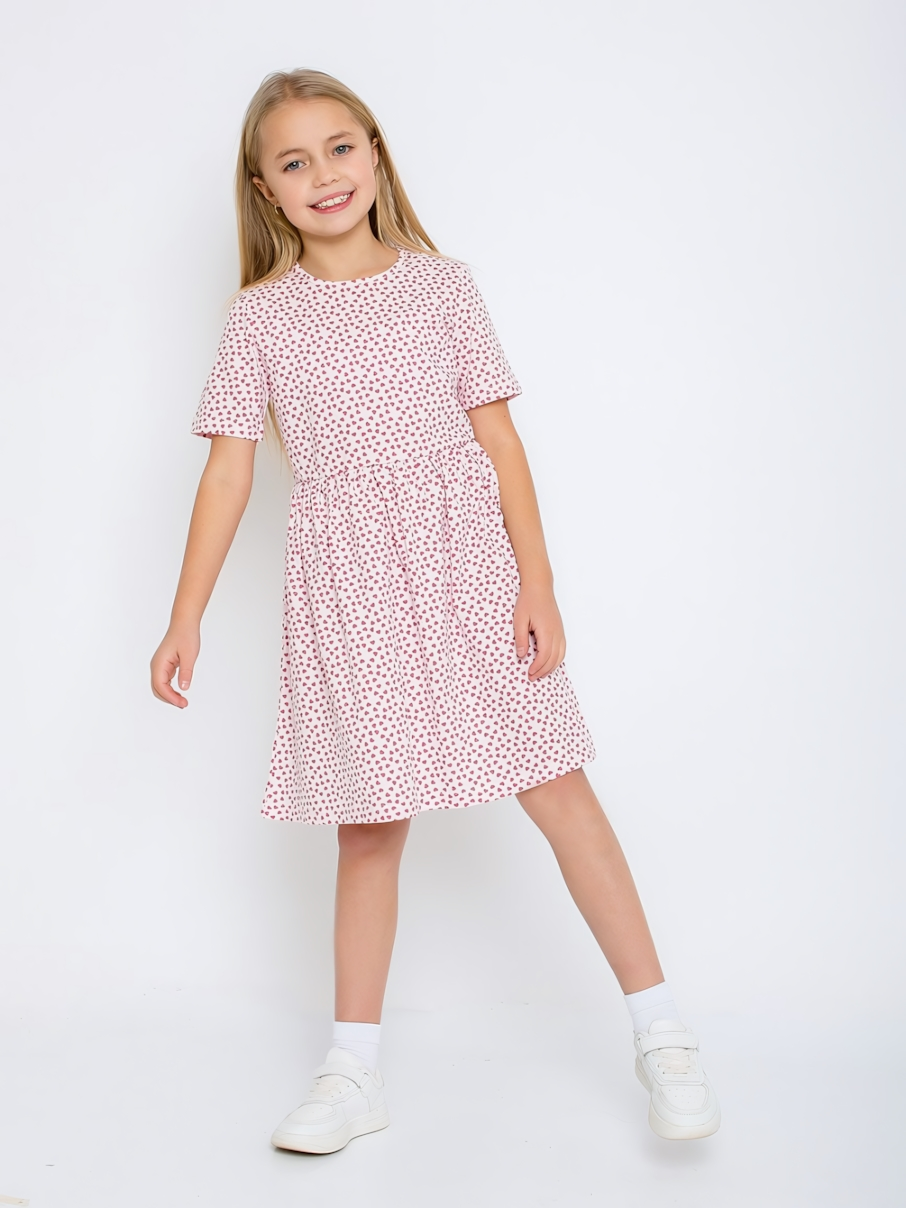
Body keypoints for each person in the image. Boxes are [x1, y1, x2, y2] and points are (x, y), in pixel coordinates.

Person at [150, 67, 720, 1154]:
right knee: (369, 823)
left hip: (469, 569)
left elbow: (501, 442)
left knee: (559, 788)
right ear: (265, 190)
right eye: (294, 161)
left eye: (340, 147)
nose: (324, 174)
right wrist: (187, 616)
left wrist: (537, 583)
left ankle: (664, 1033)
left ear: (374, 152)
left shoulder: (443, 286)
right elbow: (227, 472)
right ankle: (353, 1069)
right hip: (350, 585)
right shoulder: (259, 317)